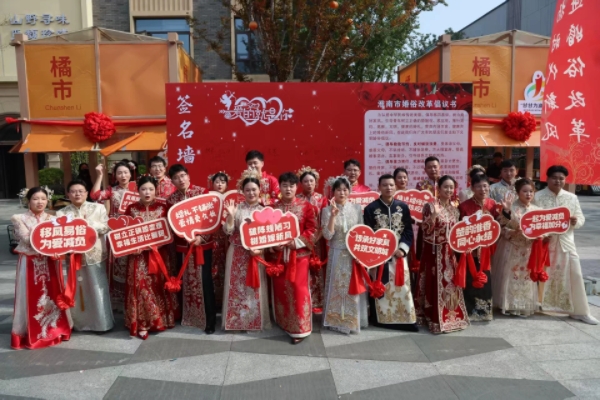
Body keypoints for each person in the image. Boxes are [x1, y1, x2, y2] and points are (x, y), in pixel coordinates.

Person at [534, 166, 598, 325]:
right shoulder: (537, 197)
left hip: (566, 243)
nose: (558, 181)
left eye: (561, 178)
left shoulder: (572, 198)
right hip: (544, 244)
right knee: (541, 275)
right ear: (547, 178)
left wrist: (576, 221)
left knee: (575, 275)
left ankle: (580, 312)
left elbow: (581, 218)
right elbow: (532, 219)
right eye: (554, 177)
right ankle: (538, 305)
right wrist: (541, 235)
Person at [10, 187, 72, 350]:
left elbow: (61, 238)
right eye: (35, 199)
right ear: (28, 201)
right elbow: (27, 239)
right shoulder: (19, 218)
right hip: (30, 262)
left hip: (50, 261)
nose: (40, 202)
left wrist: (59, 247)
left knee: (53, 292)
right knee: (30, 295)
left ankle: (55, 328)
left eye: (43, 199)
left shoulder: (54, 218)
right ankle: (31, 332)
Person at [123, 176, 177, 339]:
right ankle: (141, 323)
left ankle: (161, 320)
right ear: (138, 190)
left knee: (157, 284)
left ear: (156, 190)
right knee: (140, 286)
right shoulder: (131, 209)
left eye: (151, 189)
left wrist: (159, 243)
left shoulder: (163, 207)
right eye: (143, 189)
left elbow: (170, 230)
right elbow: (125, 232)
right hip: (138, 255)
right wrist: (133, 247)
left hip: (159, 253)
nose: (147, 192)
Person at [57, 179, 114, 331]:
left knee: (98, 288)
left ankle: (102, 324)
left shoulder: (98, 208)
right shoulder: (62, 213)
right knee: (78, 290)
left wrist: (87, 224)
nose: (77, 194)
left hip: (95, 254)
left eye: (80, 191)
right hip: (73, 256)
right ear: (68, 194)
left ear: (87, 193)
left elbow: (106, 227)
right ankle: (80, 324)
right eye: (73, 191)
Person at [166, 164, 216, 333]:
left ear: (188, 176)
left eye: (182, 175)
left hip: (202, 245)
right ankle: (190, 317)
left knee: (205, 281)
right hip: (183, 247)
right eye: (176, 178)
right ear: (172, 181)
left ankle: (209, 320)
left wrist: (202, 237)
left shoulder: (202, 193)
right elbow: (172, 225)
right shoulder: (171, 200)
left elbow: (211, 218)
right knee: (186, 282)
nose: (180, 180)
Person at [363, 174, 417, 331]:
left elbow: (408, 231)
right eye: (385, 185)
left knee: (402, 287)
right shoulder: (370, 209)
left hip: (399, 256)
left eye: (391, 185)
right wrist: (377, 251)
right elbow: (368, 233)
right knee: (380, 285)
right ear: (379, 187)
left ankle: (404, 319)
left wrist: (402, 249)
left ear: (395, 187)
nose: (388, 188)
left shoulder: (402, 207)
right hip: (379, 257)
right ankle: (381, 319)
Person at [270, 172, 317, 344]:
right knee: (281, 289)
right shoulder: (273, 208)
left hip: (299, 256)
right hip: (278, 257)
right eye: (284, 185)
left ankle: (300, 329)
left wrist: (296, 242)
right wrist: (273, 245)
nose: (288, 189)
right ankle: (284, 322)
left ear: (297, 187)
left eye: (291, 186)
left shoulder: (306, 207)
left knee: (298, 290)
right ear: (280, 187)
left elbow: (313, 230)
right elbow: (267, 230)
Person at [419, 176, 469, 333]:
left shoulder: (455, 209)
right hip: (433, 252)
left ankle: (451, 315)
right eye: (445, 187)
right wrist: (434, 216)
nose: (448, 190)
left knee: (450, 283)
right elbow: (425, 231)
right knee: (433, 282)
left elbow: (457, 231)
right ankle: (433, 317)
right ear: (438, 189)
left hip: (449, 252)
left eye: (451, 187)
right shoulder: (429, 206)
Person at [222, 170, 271, 331]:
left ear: (259, 190)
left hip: (256, 253)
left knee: (254, 287)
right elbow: (228, 231)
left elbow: (269, 235)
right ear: (242, 191)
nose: (251, 193)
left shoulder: (265, 210)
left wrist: (260, 249)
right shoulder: (237, 209)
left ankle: (253, 320)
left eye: (254, 189)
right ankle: (236, 321)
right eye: (247, 190)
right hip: (237, 252)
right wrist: (230, 216)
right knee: (237, 286)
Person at [321, 176, 367, 334]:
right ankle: (335, 319)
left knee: (353, 286)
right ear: (333, 192)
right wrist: (333, 216)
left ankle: (352, 320)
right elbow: (327, 235)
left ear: (350, 191)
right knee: (337, 287)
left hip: (353, 254)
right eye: (338, 190)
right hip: (336, 253)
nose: (342, 193)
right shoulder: (326, 211)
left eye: (345, 190)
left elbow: (362, 231)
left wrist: (360, 253)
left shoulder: (356, 208)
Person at [90, 160, 135, 312]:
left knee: (132, 264)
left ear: (130, 174)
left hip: (133, 231)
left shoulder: (138, 189)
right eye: (119, 173)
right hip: (116, 232)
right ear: (115, 175)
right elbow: (95, 195)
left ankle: (132, 298)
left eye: (126, 172)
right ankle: (118, 300)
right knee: (116, 265)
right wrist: (100, 175)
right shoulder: (112, 190)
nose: (123, 175)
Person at [492, 178, 540, 317]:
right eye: (525, 191)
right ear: (518, 192)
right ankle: (509, 304)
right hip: (512, 247)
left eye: (531, 191)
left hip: (528, 248)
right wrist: (513, 230)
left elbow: (542, 229)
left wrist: (542, 235)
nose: (528, 194)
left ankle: (523, 304)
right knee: (511, 276)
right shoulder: (510, 207)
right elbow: (500, 227)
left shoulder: (537, 210)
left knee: (526, 277)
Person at [458, 175, 500, 322]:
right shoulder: (464, 206)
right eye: (478, 186)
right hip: (470, 251)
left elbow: (498, 224)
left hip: (487, 250)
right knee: (471, 279)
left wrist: (506, 212)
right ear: (472, 188)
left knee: (485, 279)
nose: (482, 189)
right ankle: (469, 311)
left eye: (485, 186)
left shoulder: (492, 204)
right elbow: (459, 229)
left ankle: (484, 311)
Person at [296, 166, 328, 313]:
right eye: (306, 181)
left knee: (317, 269)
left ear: (316, 182)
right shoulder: (297, 199)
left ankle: (319, 301)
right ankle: (305, 300)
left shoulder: (322, 199)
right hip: (302, 240)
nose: (309, 184)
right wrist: (305, 238)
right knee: (305, 271)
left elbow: (325, 221)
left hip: (318, 241)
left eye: (311, 181)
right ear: (301, 183)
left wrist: (315, 238)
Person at [209, 171, 231, 310]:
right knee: (213, 269)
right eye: (217, 182)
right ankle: (215, 301)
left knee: (227, 269)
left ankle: (226, 300)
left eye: (223, 182)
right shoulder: (208, 200)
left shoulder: (231, 199)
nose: (219, 184)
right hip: (213, 240)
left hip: (228, 241)